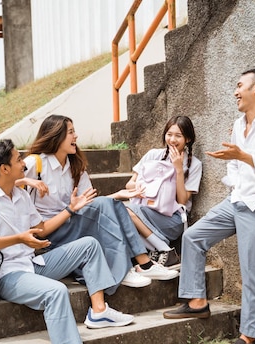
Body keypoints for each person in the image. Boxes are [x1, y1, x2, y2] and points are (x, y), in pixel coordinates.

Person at [0, 139, 136, 344]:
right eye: (18, 159)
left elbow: (41, 229)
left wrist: (70, 209)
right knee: (57, 292)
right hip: (7, 274)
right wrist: (19, 238)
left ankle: (99, 311)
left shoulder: (20, 194)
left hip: (33, 264)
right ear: (4, 169)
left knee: (88, 245)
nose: (24, 162)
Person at [163, 69, 255, 344]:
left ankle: (250, 335)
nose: (235, 91)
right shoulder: (237, 123)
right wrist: (235, 169)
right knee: (193, 237)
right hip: (237, 200)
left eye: (240, 86)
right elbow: (234, 169)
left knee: (253, 269)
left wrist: (243, 157)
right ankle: (196, 301)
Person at [17, 114, 179, 288]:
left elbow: (89, 203)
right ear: (56, 136)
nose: (76, 136)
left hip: (73, 222)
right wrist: (26, 180)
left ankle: (143, 264)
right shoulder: (36, 162)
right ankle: (129, 268)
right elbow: (2, 184)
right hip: (52, 233)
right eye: (71, 132)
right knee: (105, 206)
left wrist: (118, 194)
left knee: (114, 205)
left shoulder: (75, 166)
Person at [124, 115, 202, 265]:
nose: (172, 140)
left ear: (188, 139)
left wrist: (179, 170)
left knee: (125, 212)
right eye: (169, 134)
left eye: (178, 136)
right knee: (121, 213)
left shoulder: (194, 164)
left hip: (172, 219)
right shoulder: (153, 155)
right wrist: (142, 186)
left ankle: (161, 249)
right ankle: (160, 250)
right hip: (145, 209)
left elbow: (182, 201)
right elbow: (129, 184)